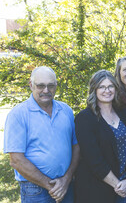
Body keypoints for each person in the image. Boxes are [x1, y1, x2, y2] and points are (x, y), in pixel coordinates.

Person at [4, 66, 80, 203]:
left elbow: (76, 146)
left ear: (56, 86)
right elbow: (16, 160)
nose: (46, 90)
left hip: (67, 185)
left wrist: (66, 179)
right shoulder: (18, 114)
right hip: (35, 189)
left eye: (51, 86)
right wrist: (51, 186)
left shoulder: (66, 110)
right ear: (31, 85)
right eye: (40, 86)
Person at [74, 70, 126, 203]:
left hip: (125, 185)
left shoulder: (123, 114)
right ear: (94, 90)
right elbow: (94, 160)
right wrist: (118, 186)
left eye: (110, 86)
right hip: (96, 191)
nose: (107, 91)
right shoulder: (84, 119)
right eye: (101, 87)